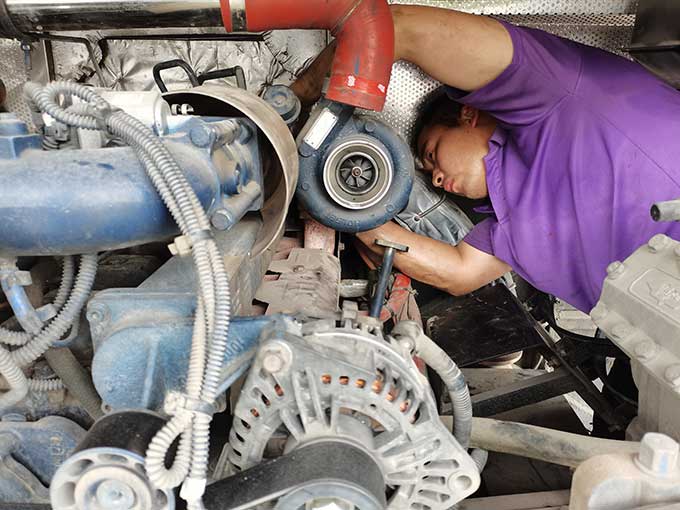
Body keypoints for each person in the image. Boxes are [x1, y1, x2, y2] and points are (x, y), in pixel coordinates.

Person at [348, 5, 680, 314]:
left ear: (468, 115)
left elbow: (396, 26)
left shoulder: (552, 97)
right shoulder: (512, 223)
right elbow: (458, 273)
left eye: (432, 153)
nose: (435, 178)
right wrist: (353, 213)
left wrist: (318, 102)